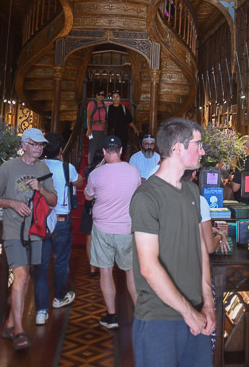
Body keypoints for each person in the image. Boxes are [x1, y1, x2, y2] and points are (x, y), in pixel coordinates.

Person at [130, 117, 214, 367]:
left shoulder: (191, 192)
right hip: (159, 318)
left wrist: (208, 305)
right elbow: (148, 267)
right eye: (198, 144)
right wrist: (189, 314)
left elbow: (201, 250)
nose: (203, 151)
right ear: (178, 148)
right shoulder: (146, 197)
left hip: (197, 315)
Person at [0, 128, 57, 350]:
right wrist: (12, 203)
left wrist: (41, 189)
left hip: (35, 231)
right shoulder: (8, 167)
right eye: (35, 144)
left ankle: (9, 324)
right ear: (24, 144)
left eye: (42, 145)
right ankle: (19, 331)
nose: (39, 148)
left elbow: (53, 200)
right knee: (22, 275)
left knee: (26, 279)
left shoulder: (43, 168)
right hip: (14, 231)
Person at [83, 135, 141, 330]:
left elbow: (88, 195)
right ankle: (140, 317)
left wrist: (99, 169)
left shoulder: (96, 174)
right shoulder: (133, 171)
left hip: (102, 229)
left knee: (105, 272)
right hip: (127, 228)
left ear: (105, 152)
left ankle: (112, 315)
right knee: (131, 273)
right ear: (122, 151)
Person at [34, 132, 83, 324]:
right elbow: (78, 181)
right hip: (61, 219)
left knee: (42, 264)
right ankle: (59, 297)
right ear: (61, 150)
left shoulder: (38, 166)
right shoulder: (66, 167)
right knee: (61, 261)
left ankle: (40, 310)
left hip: (41, 220)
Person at [81, 147, 105, 278]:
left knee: (91, 239)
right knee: (94, 238)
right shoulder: (94, 172)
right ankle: (95, 267)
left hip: (91, 207)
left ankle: (93, 267)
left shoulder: (89, 171)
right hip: (95, 207)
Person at [85, 90, 109, 162]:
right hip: (93, 130)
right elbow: (88, 117)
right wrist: (89, 130)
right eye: (99, 94)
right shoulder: (92, 104)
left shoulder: (104, 104)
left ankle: (98, 165)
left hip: (102, 130)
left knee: (100, 149)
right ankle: (90, 166)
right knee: (92, 148)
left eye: (103, 94)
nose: (101, 96)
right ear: (96, 95)